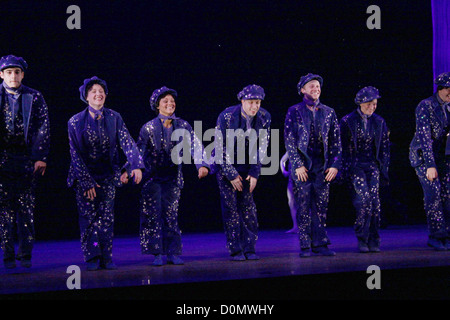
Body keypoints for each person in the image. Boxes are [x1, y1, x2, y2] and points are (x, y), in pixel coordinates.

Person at [67, 76, 144, 270]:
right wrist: (86, 182)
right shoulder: (75, 121)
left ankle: (107, 256)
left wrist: (134, 166)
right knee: (89, 218)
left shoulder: (114, 117)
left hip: (108, 175)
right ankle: (93, 256)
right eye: (93, 91)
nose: (98, 94)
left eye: (101, 91)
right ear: (86, 96)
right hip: (85, 176)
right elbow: (75, 154)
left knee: (106, 217)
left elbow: (127, 141)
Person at [127, 86, 209, 266]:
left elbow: (195, 144)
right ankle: (157, 253)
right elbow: (138, 151)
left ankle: (173, 252)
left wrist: (201, 164)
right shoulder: (148, 128)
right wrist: (130, 170)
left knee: (171, 214)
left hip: (173, 178)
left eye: (172, 101)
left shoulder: (183, 125)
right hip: (152, 178)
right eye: (166, 101)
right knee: (153, 214)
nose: (170, 104)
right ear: (158, 105)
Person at [0, 55, 50, 269]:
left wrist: (39, 157)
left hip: (26, 159)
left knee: (26, 209)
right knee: (4, 210)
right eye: (9, 72)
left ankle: (25, 254)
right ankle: (8, 255)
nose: (13, 76)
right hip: (2, 160)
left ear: (22, 74)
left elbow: (43, 126)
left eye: (17, 72)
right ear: (1, 74)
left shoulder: (34, 96)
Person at [284, 73, 341, 257]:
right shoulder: (294, 110)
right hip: (303, 165)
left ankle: (320, 244)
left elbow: (335, 141)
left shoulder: (329, 111)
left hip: (322, 165)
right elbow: (290, 140)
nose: (316, 89)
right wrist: (298, 164)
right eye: (311, 86)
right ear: (302, 90)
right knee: (303, 204)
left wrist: (334, 165)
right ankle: (305, 245)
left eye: (317, 86)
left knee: (321, 205)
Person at [212, 84, 271, 261]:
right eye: (252, 102)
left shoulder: (264, 117)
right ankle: (235, 249)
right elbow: (219, 146)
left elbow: (262, 146)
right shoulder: (227, 116)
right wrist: (230, 174)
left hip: (247, 166)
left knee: (248, 207)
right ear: (243, 101)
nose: (255, 106)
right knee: (230, 208)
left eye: (258, 102)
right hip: (226, 165)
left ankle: (250, 247)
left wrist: (254, 173)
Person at [340, 86, 390, 253]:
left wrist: (383, 170)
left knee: (375, 203)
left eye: (375, 104)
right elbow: (341, 147)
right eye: (369, 104)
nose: (372, 107)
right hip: (356, 166)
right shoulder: (347, 121)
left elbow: (384, 149)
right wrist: (344, 169)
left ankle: (374, 238)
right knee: (364, 201)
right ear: (360, 103)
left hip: (372, 165)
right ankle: (362, 238)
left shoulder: (379, 121)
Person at [410, 72, 450, 251]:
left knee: (447, 196)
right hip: (424, 158)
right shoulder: (426, 106)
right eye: (447, 89)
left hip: (444, 156)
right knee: (433, 196)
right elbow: (424, 138)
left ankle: (446, 234)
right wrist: (430, 165)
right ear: (440, 89)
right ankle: (436, 236)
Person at [280, 152, 298, 233]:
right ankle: (295, 226)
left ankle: (307, 226)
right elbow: (282, 160)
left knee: (305, 203)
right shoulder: (290, 149)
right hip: (292, 180)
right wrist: (284, 170)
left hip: (303, 180)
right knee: (291, 202)